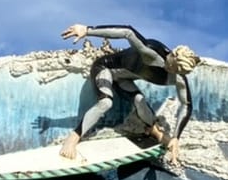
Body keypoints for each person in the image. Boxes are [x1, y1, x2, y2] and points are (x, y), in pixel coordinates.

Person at [59, 23, 201, 166]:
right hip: (105, 69)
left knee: (140, 101)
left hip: (124, 80)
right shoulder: (151, 52)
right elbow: (128, 31)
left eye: (176, 70)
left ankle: (154, 131)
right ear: (172, 54)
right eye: (172, 65)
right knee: (106, 102)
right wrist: (87, 30)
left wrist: (176, 137)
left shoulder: (178, 76)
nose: (171, 70)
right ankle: (73, 137)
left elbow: (186, 105)